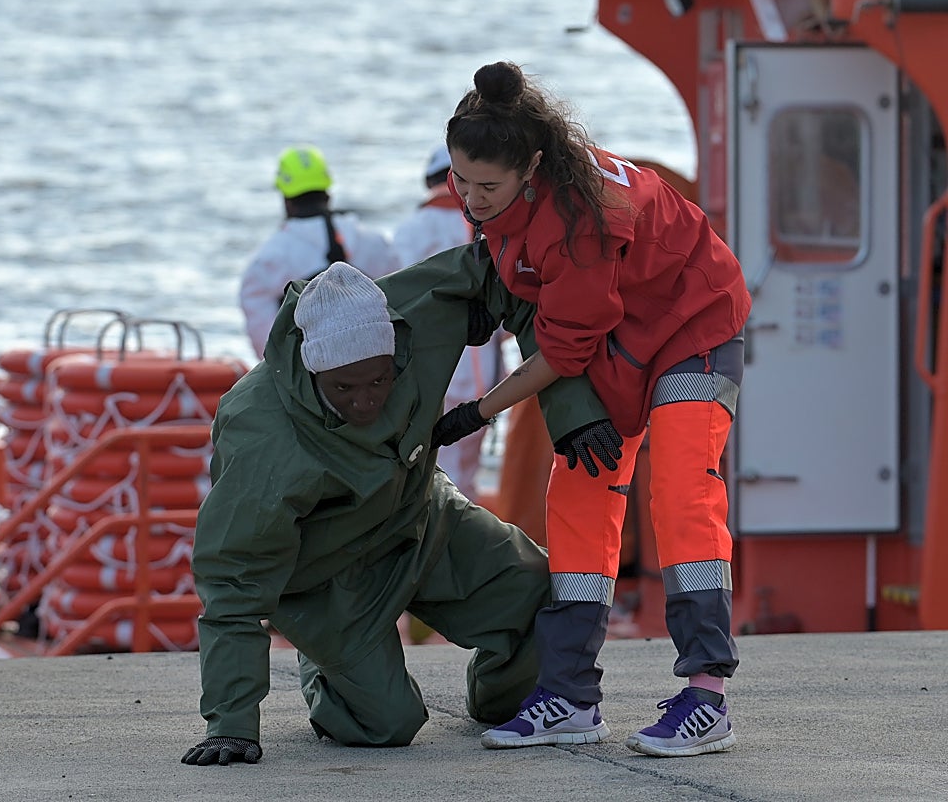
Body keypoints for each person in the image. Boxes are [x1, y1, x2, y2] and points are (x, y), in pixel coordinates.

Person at [181, 252, 619, 767]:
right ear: (312, 368)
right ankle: (323, 668)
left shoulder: (425, 313)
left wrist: (573, 414)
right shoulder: (261, 434)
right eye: (343, 388)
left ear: (398, 347)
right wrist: (231, 724)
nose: (365, 401)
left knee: (545, 596)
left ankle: (500, 701)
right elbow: (233, 576)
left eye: (379, 381)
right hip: (328, 576)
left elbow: (524, 278)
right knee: (386, 725)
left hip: (420, 513)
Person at [432, 61, 751, 758]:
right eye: (461, 180)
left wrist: (475, 413)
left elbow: (561, 353)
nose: (472, 200)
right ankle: (570, 697)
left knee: (682, 494)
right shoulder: (499, 186)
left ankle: (707, 698)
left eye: (487, 188)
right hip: (620, 339)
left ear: (531, 168)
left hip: (694, 327)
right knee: (577, 497)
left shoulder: (580, 222)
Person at [391, 144, 504, 501]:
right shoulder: (495, 226)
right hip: (487, 375)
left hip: (429, 369)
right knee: (466, 472)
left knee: (434, 472)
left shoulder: (411, 231)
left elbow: (395, 305)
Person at [239, 144, 399, 359]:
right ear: (327, 194)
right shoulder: (373, 241)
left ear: (286, 200)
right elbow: (399, 299)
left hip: (312, 370)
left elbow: (268, 348)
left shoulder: (268, 261)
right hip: (378, 362)